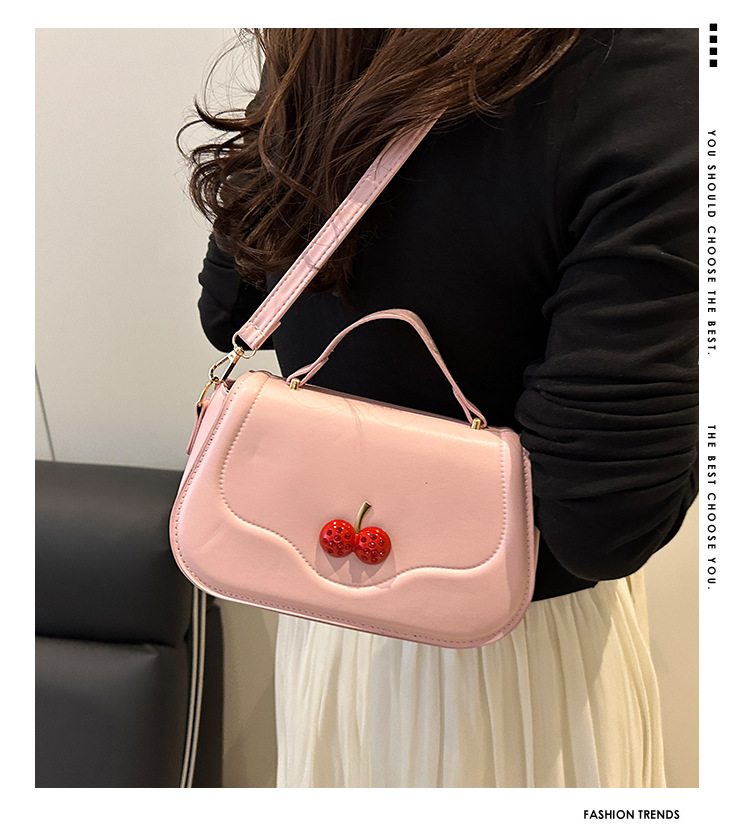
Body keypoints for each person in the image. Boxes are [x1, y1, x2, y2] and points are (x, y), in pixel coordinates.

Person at [184, 28, 698, 788]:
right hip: (515, 670)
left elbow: (229, 306)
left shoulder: (330, 37)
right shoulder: (650, 68)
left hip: (327, 630)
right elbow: (603, 525)